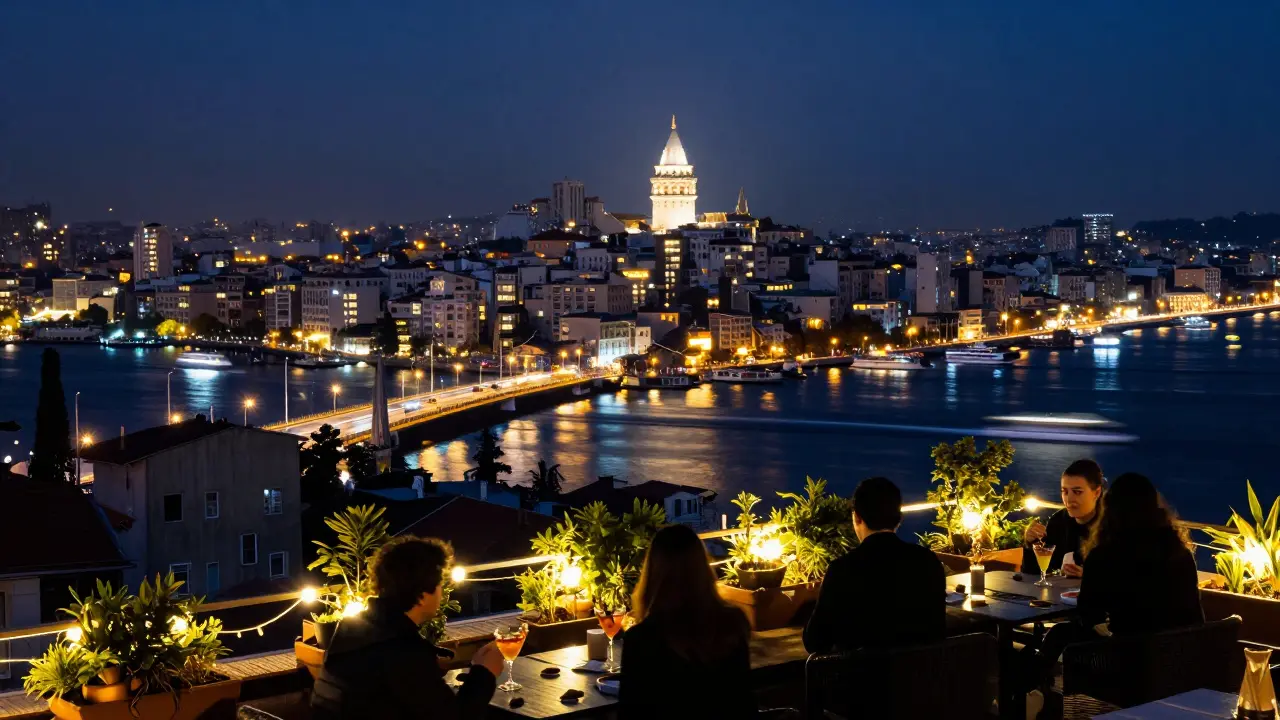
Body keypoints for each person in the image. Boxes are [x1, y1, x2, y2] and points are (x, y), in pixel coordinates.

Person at [1028, 473, 1203, 690]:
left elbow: (1089, 614)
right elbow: (1194, 611)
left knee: (1060, 633)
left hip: (1128, 660)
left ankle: (1026, 692)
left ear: (1110, 510)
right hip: (1180, 657)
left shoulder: (1105, 555)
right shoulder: (1179, 552)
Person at [311, 536, 505, 720]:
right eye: (439, 585)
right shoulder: (401, 650)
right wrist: (485, 673)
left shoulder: (351, 629)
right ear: (422, 594)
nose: (442, 592)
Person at [620, 524, 755, 719]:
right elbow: (744, 703)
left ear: (653, 573)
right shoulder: (733, 623)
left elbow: (630, 713)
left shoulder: (642, 639)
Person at [804, 477, 946, 654]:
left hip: (862, 679)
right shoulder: (927, 561)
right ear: (899, 518)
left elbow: (814, 642)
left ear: (857, 518)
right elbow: (938, 629)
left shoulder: (842, 569)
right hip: (921, 676)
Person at [1022, 459, 1105, 578]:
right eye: (1065, 492)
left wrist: (1089, 577)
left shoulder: (1111, 525)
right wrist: (1031, 544)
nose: (1069, 499)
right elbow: (1034, 575)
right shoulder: (1058, 522)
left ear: (1096, 493)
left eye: (1077, 492)